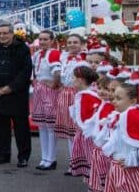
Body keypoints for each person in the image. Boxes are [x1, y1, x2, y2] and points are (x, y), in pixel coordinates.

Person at [0, 23, 33, 167]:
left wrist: (10, 88)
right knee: (1, 127)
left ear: (12, 34)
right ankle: (4, 154)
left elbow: (25, 71)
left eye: (5, 33)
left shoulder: (22, 49)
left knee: (21, 127)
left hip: (16, 94)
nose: (2, 36)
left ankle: (23, 156)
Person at [54, 34, 87, 175]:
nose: (72, 45)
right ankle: (72, 163)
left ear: (82, 44)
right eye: (69, 42)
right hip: (65, 94)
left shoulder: (86, 59)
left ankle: (84, 162)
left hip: (79, 95)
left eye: (75, 42)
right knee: (70, 131)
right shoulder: (62, 57)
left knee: (80, 130)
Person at [31, 30, 61, 171]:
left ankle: (51, 158)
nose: (42, 42)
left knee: (50, 126)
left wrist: (54, 84)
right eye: (41, 39)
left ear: (52, 41)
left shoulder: (53, 53)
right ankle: (44, 157)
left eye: (45, 39)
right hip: (39, 90)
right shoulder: (37, 54)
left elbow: (57, 71)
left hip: (49, 92)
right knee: (41, 125)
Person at [68, 65, 100, 179]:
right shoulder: (88, 94)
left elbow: (85, 118)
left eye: (73, 78)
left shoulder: (86, 96)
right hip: (85, 133)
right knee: (89, 159)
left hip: (88, 135)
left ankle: (95, 186)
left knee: (91, 159)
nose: (71, 80)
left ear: (80, 80)